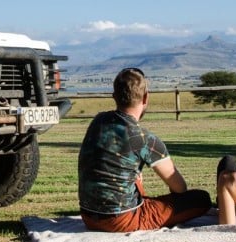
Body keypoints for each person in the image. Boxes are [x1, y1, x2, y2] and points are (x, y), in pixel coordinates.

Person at [77, 67, 213, 232]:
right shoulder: (144, 139)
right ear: (146, 97)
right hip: (121, 220)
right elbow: (179, 188)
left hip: (88, 216)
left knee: (135, 179)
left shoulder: (98, 121)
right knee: (201, 199)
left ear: (114, 96)